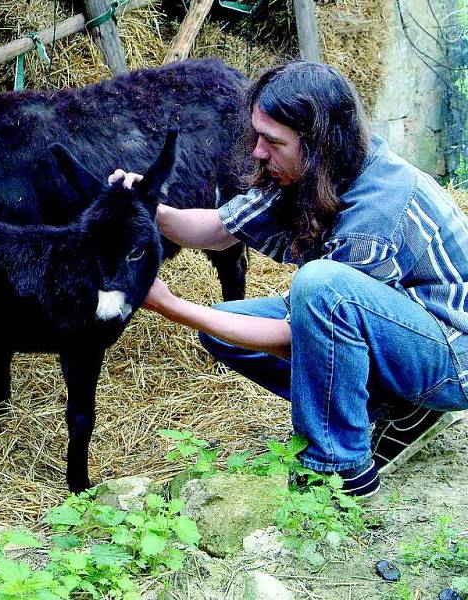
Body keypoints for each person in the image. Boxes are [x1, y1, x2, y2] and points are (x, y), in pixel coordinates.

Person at [110, 61, 468, 497]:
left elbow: (298, 336)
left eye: (272, 141)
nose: (258, 151)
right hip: (397, 322)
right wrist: (149, 207)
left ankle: (339, 471)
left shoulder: (376, 212)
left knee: (318, 288)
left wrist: (173, 306)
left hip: (451, 354)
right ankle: (395, 408)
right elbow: (218, 231)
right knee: (225, 329)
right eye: (258, 135)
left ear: (317, 143)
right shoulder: (322, 169)